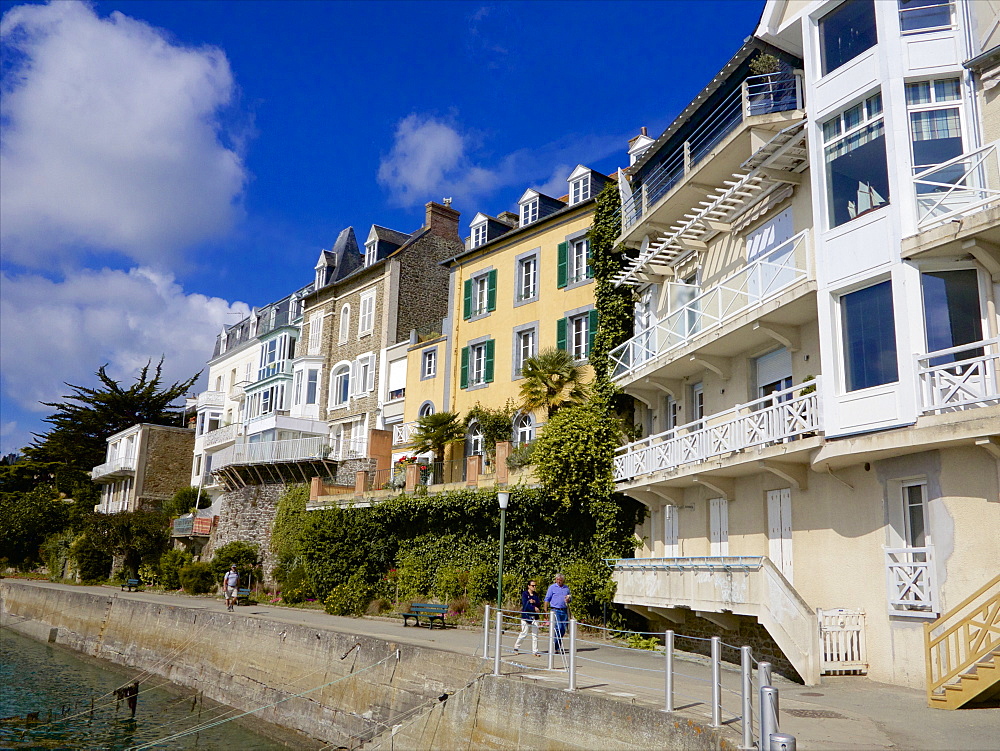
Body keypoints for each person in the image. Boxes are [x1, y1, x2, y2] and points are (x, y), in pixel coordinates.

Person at [513, 580, 542, 657]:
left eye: (535, 585)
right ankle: (516, 647)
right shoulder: (525, 594)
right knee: (524, 633)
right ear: (528, 586)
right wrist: (533, 606)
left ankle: (535, 651)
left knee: (535, 634)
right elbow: (525, 604)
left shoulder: (536, 595)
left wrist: (534, 602)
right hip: (526, 616)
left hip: (535, 617)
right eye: (532, 585)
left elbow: (539, 603)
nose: (534, 587)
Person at [543, 573, 572, 652]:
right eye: (557, 580)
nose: (559, 581)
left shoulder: (566, 588)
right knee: (558, 627)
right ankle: (555, 647)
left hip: (564, 610)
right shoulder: (552, 587)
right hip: (555, 610)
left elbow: (570, 599)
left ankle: (556, 645)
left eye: (561, 580)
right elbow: (546, 599)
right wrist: (545, 612)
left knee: (563, 629)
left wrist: (568, 599)